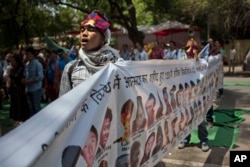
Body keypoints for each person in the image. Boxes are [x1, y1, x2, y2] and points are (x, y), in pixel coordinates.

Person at [59, 10, 120, 96]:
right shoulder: (70, 69)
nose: (84, 33)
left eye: (91, 29)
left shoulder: (119, 66)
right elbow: (63, 106)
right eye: (82, 29)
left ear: (104, 37)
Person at [6, 54, 30, 122]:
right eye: (11, 61)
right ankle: (15, 117)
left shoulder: (22, 68)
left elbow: (24, 78)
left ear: (17, 61)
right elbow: (9, 78)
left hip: (20, 89)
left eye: (13, 61)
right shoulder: (11, 69)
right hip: (12, 89)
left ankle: (22, 117)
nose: (12, 62)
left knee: (20, 103)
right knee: (14, 103)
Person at [22, 46, 44, 116]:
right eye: (25, 54)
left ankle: (40, 123)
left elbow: (40, 77)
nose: (26, 56)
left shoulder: (38, 64)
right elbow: (25, 75)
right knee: (31, 108)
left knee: (36, 107)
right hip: (28, 89)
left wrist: (29, 81)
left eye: (27, 54)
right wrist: (24, 79)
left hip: (36, 89)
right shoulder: (27, 65)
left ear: (32, 54)